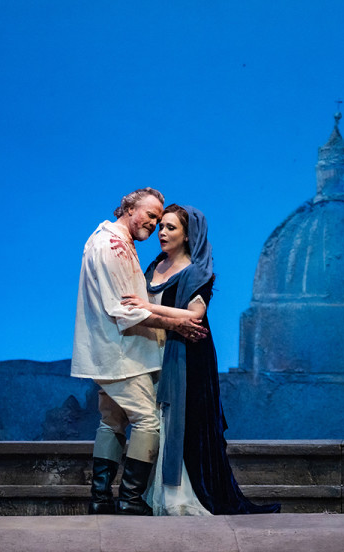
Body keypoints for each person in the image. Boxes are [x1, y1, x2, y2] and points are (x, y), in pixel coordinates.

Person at [123, 204, 280, 515]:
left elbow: (196, 315)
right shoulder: (155, 266)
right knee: (155, 423)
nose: (162, 233)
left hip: (186, 357)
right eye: (162, 227)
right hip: (153, 353)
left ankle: (180, 499)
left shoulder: (196, 272)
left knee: (183, 423)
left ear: (188, 235)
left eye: (171, 228)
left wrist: (146, 307)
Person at [71, 188, 207, 516]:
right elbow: (125, 310)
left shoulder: (113, 241)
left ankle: (101, 499)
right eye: (149, 215)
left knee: (111, 421)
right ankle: (130, 499)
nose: (154, 223)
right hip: (120, 354)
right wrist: (176, 324)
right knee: (147, 422)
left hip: (116, 351)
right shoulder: (113, 245)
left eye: (160, 219)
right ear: (129, 208)